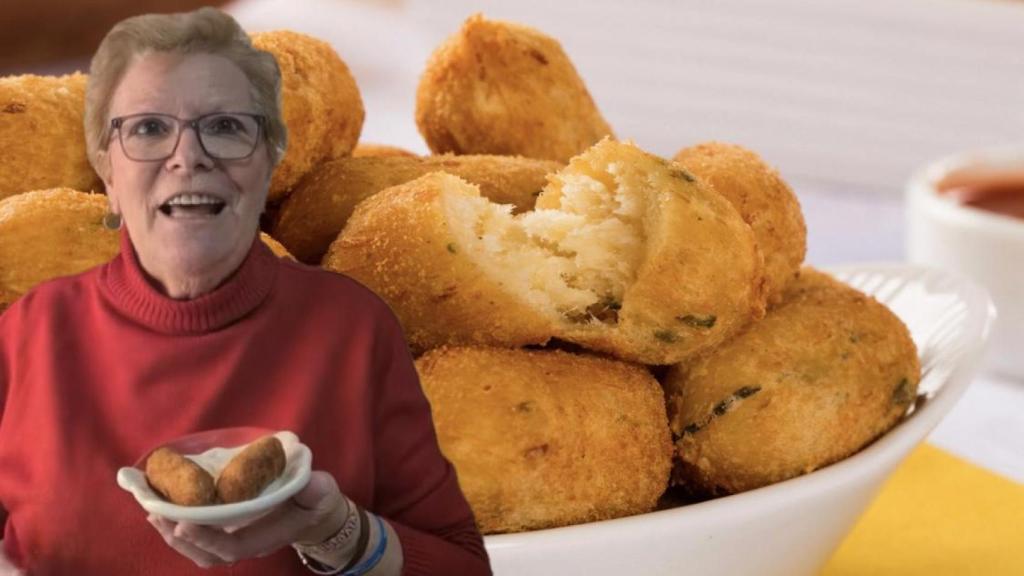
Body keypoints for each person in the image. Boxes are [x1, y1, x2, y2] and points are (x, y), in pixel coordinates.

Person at [0, 8, 491, 576]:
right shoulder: (27, 333)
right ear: (106, 175)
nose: (188, 157)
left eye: (227, 127)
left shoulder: (351, 328)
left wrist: (338, 532)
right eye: (148, 129)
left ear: (273, 165)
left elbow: (460, 564)